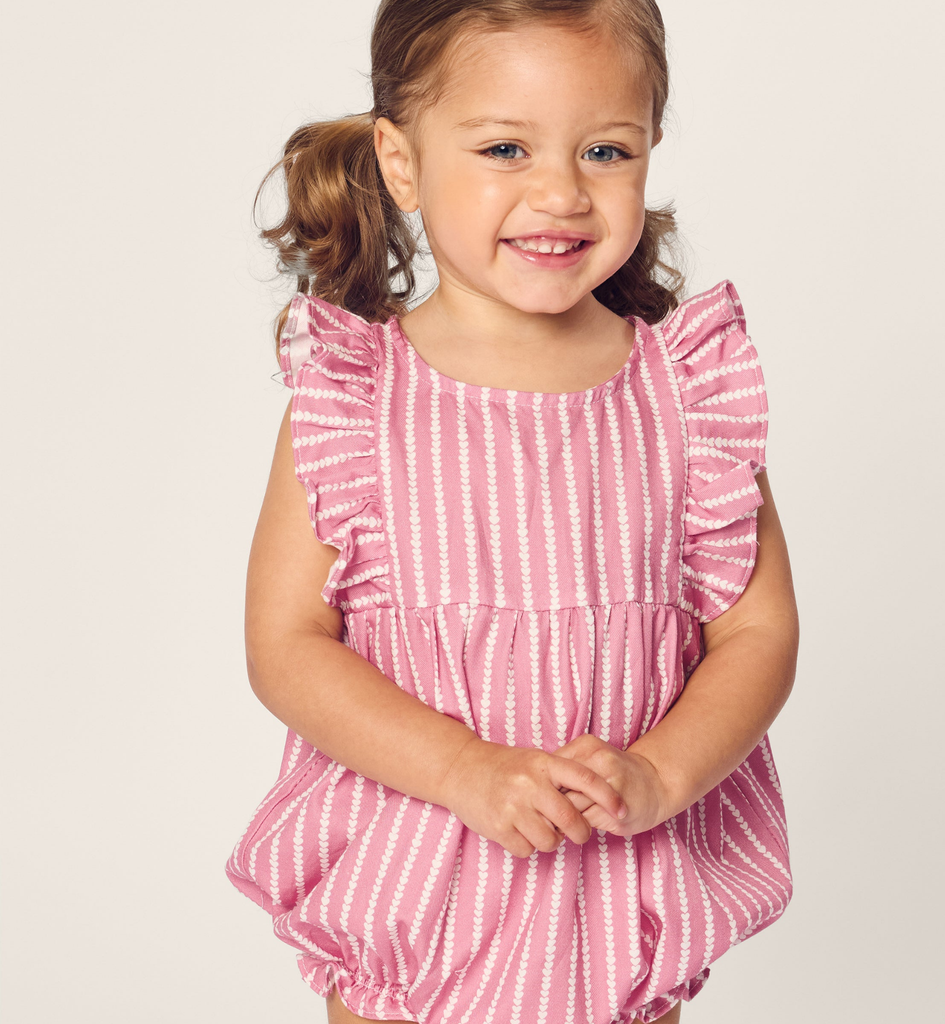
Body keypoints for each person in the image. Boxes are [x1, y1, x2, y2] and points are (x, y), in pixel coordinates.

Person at [224, 1, 800, 1022]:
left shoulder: (686, 395)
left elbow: (756, 632)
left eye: (604, 150)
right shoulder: (359, 399)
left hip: (617, 893)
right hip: (412, 891)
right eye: (504, 148)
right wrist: (464, 770)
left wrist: (659, 776)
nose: (562, 192)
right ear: (401, 164)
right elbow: (286, 644)